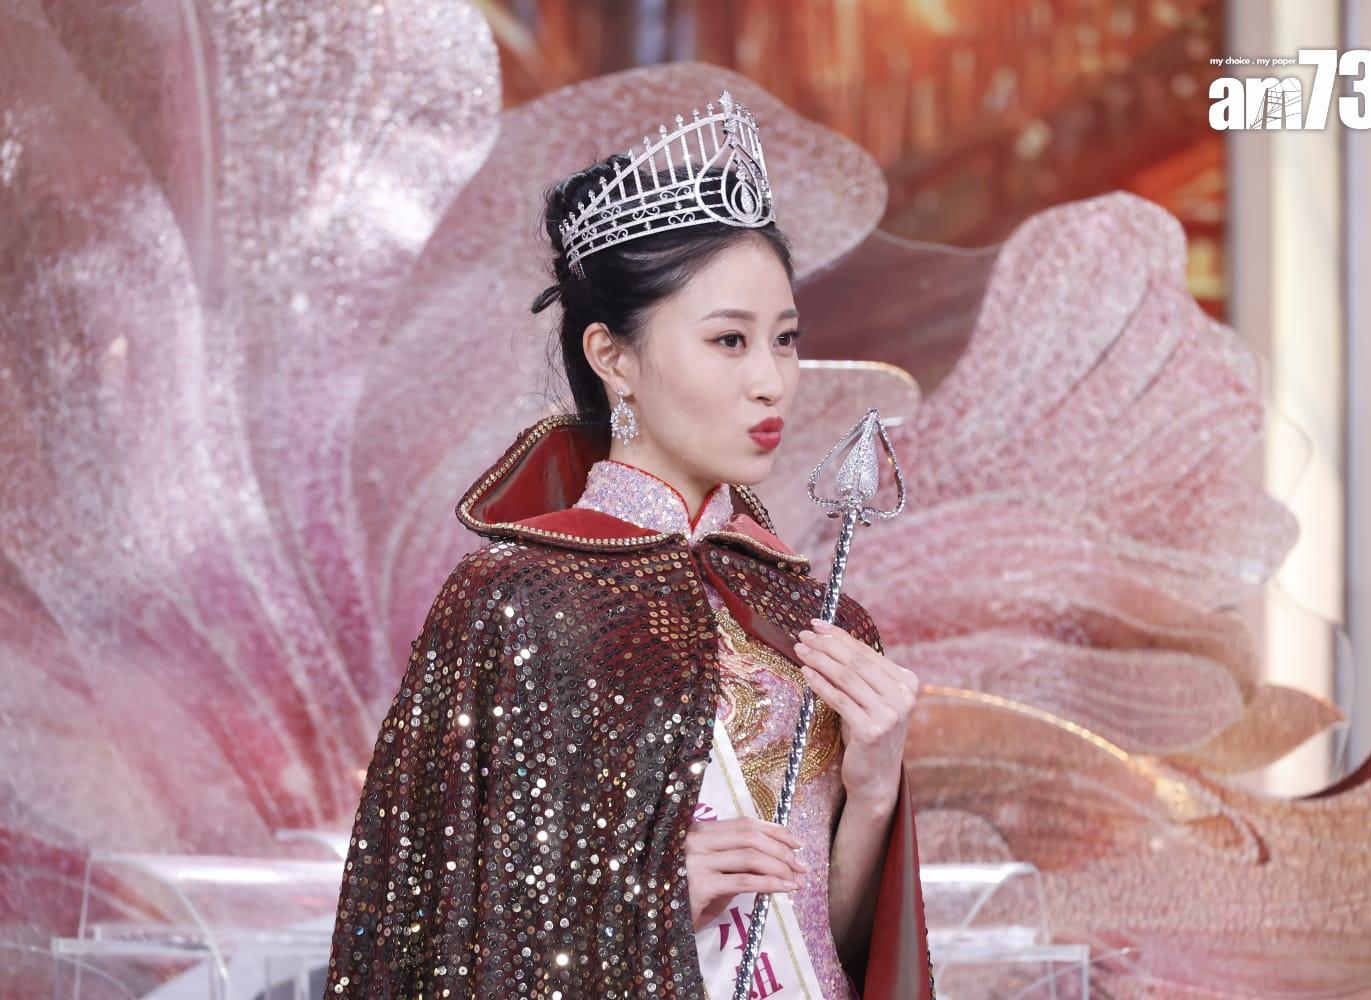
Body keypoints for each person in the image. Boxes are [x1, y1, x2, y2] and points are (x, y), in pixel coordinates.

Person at [324, 90, 934, 999]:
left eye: (785, 340)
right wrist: (640, 910)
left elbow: (834, 938)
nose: (772, 381)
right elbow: (436, 939)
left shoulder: (815, 622)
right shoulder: (512, 603)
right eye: (729, 340)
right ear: (613, 356)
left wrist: (876, 788)